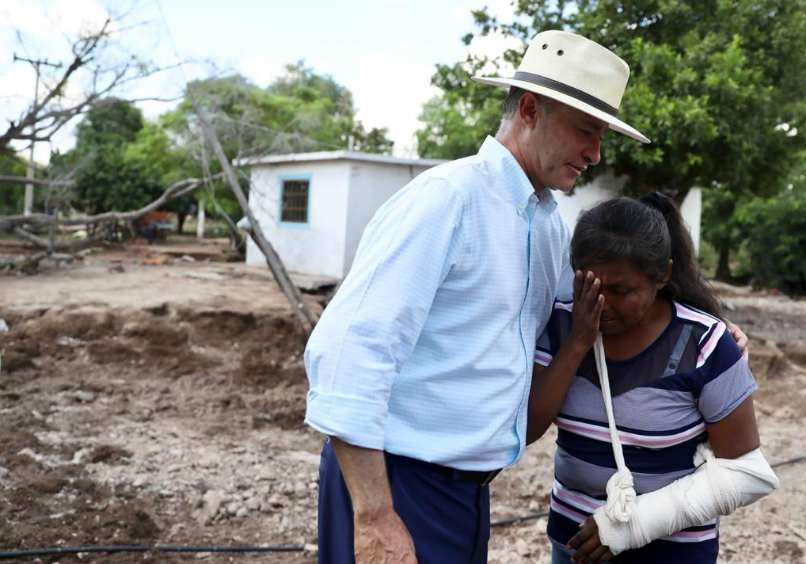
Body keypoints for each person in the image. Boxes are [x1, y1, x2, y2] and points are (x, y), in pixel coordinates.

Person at [303, 30, 656, 564]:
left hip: (467, 493)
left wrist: (708, 322)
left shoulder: (548, 229)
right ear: (531, 110)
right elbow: (350, 351)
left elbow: (604, 301)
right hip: (399, 481)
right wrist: (375, 515)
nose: (595, 152)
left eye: (601, 134)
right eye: (586, 130)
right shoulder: (449, 200)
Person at [528, 194, 777, 564]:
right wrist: (579, 340)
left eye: (621, 291)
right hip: (572, 545)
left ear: (662, 275)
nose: (602, 304)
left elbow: (747, 473)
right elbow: (528, 428)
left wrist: (631, 526)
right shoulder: (563, 325)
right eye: (589, 285)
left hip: (671, 552)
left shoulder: (704, 342)